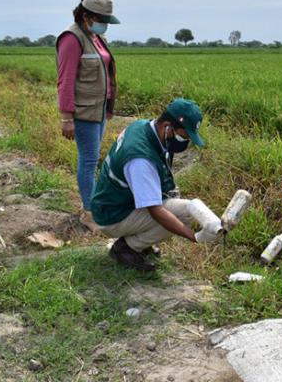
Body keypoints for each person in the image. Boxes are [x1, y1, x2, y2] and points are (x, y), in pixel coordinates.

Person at [91, 99, 214, 271]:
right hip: (112, 215)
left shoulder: (142, 126)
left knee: (175, 205)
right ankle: (127, 247)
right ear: (167, 127)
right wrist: (194, 237)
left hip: (113, 202)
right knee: (184, 215)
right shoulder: (140, 159)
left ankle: (139, 242)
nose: (185, 141)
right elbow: (156, 211)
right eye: (184, 135)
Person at [56, 0, 120, 233]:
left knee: (93, 161)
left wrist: (109, 107)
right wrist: (66, 117)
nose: (104, 24)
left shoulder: (94, 37)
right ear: (86, 16)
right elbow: (66, 80)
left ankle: (94, 206)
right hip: (83, 113)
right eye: (100, 18)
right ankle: (89, 213)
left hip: (99, 110)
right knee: (89, 160)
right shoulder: (72, 39)